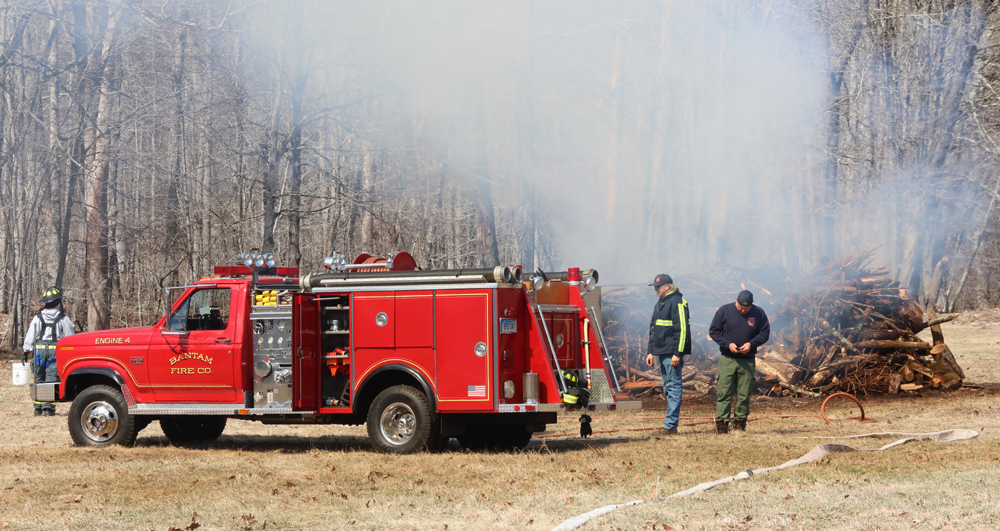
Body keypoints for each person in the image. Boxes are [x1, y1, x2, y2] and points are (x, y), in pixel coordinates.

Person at [709, 290, 770, 434]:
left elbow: (764, 333)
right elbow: (714, 331)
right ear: (736, 300)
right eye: (740, 307)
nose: (743, 310)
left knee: (744, 393)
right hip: (727, 359)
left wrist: (751, 344)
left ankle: (739, 424)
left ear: (751, 305)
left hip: (747, 360)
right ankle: (722, 425)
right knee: (724, 392)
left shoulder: (759, 313)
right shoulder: (724, 310)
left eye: (746, 309)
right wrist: (727, 344)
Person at [644, 274, 691, 436]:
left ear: (668, 287)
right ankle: (670, 425)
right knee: (668, 388)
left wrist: (677, 353)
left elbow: (683, 329)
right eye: (655, 287)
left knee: (673, 387)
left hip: (671, 354)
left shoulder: (677, 302)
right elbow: (653, 329)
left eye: (658, 286)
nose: (656, 289)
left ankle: (670, 426)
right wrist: (650, 351)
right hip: (661, 353)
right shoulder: (660, 303)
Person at [22, 286, 75, 416]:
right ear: (58, 303)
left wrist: (25, 351)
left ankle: (37, 408)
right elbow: (70, 338)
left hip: (39, 353)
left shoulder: (37, 318)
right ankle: (48, 409)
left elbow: (30, 335)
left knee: (39, 378)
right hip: (55, 354)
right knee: (51, 379)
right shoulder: (64, 319)